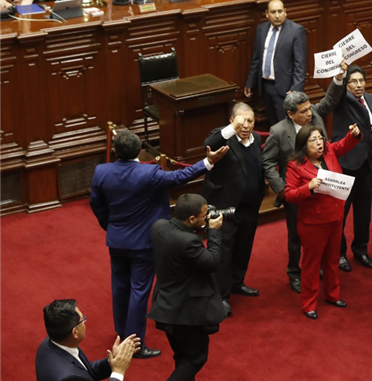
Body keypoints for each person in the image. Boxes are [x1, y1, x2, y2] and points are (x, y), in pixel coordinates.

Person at [89, 130, 228, 360]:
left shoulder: (101, 171)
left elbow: (96, 203)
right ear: (140, 150)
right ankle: (134, 344)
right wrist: (208, 162)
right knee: (139, 290)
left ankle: (122, 330)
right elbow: (180, 177)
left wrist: (110, 225)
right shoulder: (149, 172)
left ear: (114, 150)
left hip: (116, 239)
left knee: (120, 286)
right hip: (143, 243)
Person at [262, 68, 346, 294]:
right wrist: (280, 189)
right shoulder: (278, 132)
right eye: (304, 111)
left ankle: (316, 267)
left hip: (325, 189)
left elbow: (330, 100)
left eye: (309, 109)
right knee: (296, 236)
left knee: (322, 234)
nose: (309, 114)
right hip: (297, 192)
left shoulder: (316, 115)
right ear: (291, 114)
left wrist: (338, 79)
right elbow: (267, 162)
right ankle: (294, 272)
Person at [285, 123, 361, 319]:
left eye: (320, 138)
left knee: (332, 259)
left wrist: (353, 134)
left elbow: (343, 145)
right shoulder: (295, 166)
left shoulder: (328, 152)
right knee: (312, 264)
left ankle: (332, 295)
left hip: (335, 216)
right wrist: (308, 187)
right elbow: (290, 195)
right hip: (313, 223)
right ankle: (309, 303)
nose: (319, 143)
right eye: (313, 140)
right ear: (303, 145)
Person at [148, 194, 227, 381]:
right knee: (195, 358)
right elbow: (212, 262)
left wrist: (199, 227)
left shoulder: (159, 227)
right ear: (191, 218)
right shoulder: (189, 242)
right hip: (184, 311)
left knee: (182, 355)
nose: (207, 217)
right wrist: (214, 231)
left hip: (165, 305)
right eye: (204, 215)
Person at [202, 103, 265, 314]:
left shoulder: (256, 140)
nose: (246, 125)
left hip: (249, 206)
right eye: (241, 121)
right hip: (225, 207)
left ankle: (237, 282)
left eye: (250, 121)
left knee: (243, 247)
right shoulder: (222, 137)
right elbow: (209, 143)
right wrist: (233, 129)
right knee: (224, 252)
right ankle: (221, 295)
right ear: (231, 121)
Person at [333, 66, 372, 272]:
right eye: (353, 81)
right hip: (345, 164)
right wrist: (340, 74)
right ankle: (339, 253)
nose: (358, 85)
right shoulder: (341, 99)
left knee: (364, 212)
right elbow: (336, 90)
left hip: (367, 164)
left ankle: (360, 249)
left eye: (361, 81)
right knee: (340, 214)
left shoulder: (370, 100)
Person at [35, 299, 139, 381]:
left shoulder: (51, 343)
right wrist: (118, 372)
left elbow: (84, 370)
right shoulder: (69, 377)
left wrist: (112, 360)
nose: (85, 322)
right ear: (75, 332)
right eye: (83, 319)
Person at [244, 0, 308, 127]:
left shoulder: (296, 31)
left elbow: (300, 64)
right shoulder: (261, 29)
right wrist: (250, 82)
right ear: (267, 14)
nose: (277, 15)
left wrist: (295, 91)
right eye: (273, 12)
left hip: (285, 90)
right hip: (265, 86)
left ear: (285, 12)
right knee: (274, 125)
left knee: (287, 126)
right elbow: (256, 59)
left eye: (280, 11)